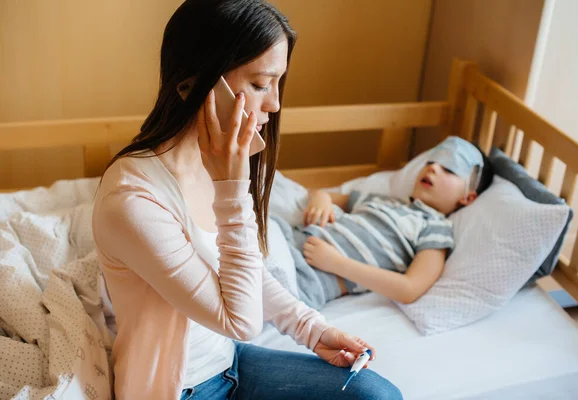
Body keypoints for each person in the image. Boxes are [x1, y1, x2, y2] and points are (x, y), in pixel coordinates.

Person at [92, 0, 403, 399]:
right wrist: (232, 186)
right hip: (179, 389)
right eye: (259, 84)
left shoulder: (216, 162)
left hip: (230, 361)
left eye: (277, 83)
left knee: (376, 395)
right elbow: (240, 320)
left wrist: (314, 330)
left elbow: (242, 272)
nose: (273, 103)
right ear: (196, 81)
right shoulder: (132, 199)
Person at [274, 137, 494, 310]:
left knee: (258, 291)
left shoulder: (435, 228)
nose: (433, 168)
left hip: (313, 276)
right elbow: (327, 195)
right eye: (431, 162)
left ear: (468, 197)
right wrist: (321, 199)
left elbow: (410, 288)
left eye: (449, 169)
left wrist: (336, 263)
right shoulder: (385, 201)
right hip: (290, 240)